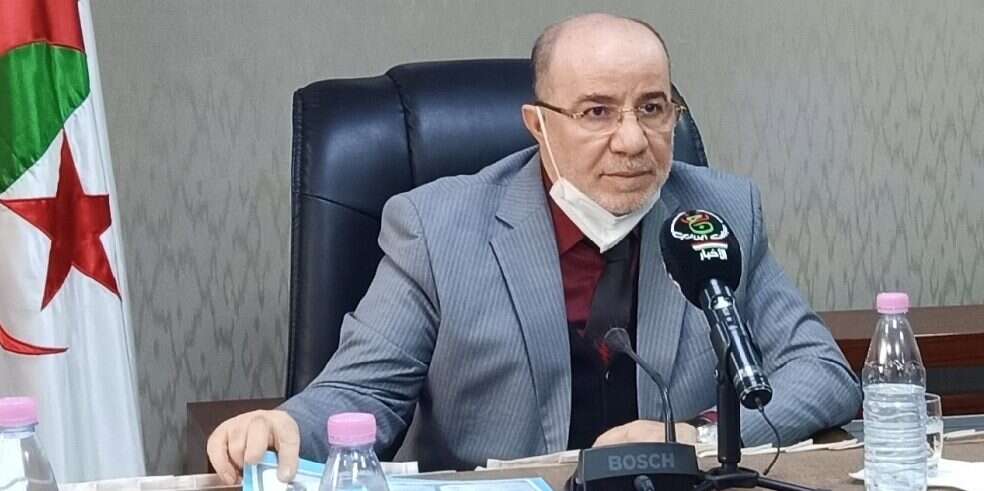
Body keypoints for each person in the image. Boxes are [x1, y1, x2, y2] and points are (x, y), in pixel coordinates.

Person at [207, 13, 861, 484]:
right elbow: (361, 392)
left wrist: (701, 436)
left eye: (653, 108)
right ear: (539, 125)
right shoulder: (437, 227)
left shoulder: (719, 212)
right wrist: (286, 426)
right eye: (597, 112)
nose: (633, 140)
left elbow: (821, 371)